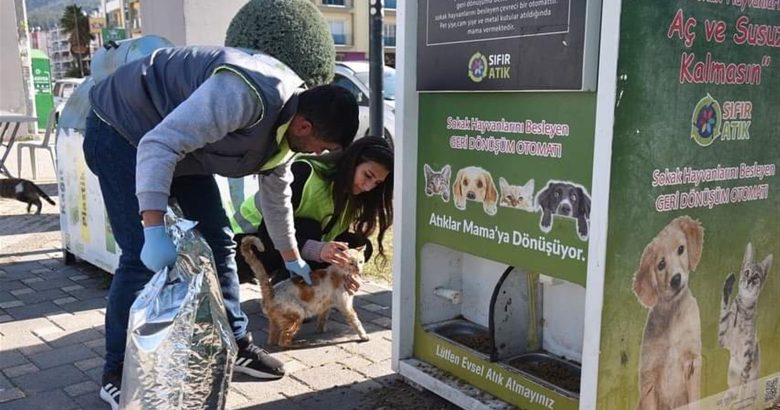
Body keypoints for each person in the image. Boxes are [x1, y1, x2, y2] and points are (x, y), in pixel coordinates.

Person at [82, 46, 358, 409]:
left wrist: (293, 258)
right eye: (323, 148)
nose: (320, 155)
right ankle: (116, 371)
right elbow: (159, 143)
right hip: (123, 129)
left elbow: (277, 198)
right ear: (304, 126)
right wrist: (152, 228)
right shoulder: (244, 96)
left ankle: (237, 344)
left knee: (219, 242)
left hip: (181, 147)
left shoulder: (288, 132)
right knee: (138, 256)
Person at [232, 136, 393, 290]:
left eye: (377, 183)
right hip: (244, 246)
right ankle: (287, 294)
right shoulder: (304, 172)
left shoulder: (354, 196)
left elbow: (331, 237)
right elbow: (270, 232)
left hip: (286, 248)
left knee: (359, 246)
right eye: (368, 175)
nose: (368, 187)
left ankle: (307, 291)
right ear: (352, 162)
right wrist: (319, 250)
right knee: (310, 228)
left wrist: (347, 272)